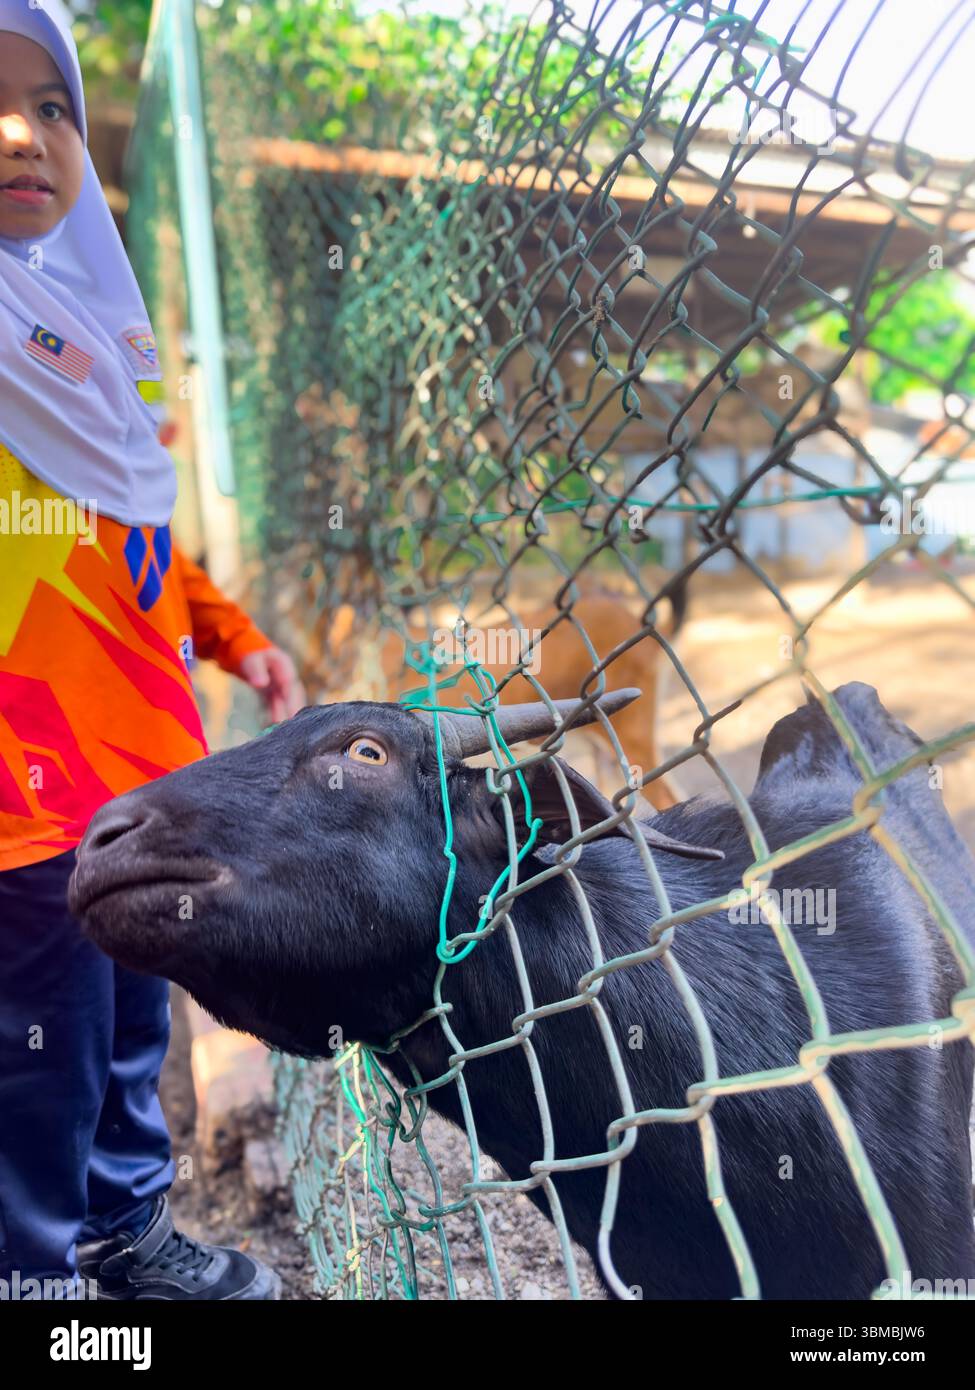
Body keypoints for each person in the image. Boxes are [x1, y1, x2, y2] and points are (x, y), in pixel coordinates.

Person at [0, 0, 302, 1299]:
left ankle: (123, 1226)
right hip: (22, 796)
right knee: (37, 1047)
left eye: (52, 103)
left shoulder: (92, 354)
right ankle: (34, 1269)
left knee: (132, 1022)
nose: (23, 130)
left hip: (140, 771)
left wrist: (230, 637)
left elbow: (140, 547)